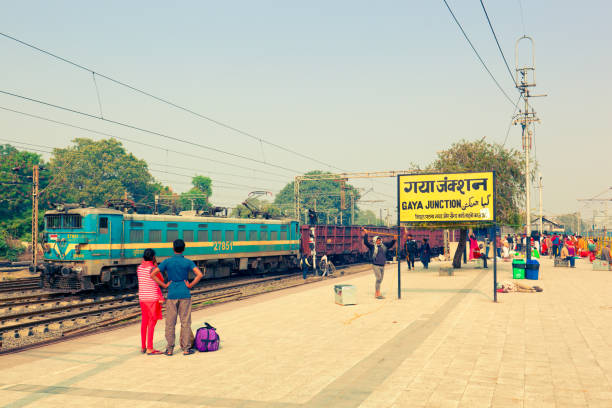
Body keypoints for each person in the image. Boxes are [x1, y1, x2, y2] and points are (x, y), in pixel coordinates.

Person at [151, 239, 204, 356]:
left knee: (170, 323)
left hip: (172, 295)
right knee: (185, 322)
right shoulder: (187, 262)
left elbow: (153, 274)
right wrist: (190, 284)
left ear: (173, 249)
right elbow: (199, 274)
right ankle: (186, 349)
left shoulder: (167, 261)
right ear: (183, 249)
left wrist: (164, 285)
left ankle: (169, 349)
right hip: (185, 294)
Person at [137, 248, 165, 355]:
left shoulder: (139, 268)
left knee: (144, 322)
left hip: (142, 298)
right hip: (152, 299)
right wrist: (156, 265)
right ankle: (150, 348)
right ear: (153, 257)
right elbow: (161, 280)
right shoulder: (153, 269)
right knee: (152, 323)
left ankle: (143, 347)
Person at [362, 228, 395, 299]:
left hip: (382, 265)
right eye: (377, 240)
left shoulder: (384, 246)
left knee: (380, 280)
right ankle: (377, 294)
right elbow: (365, 242)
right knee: (379, 278)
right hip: (375, 265)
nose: (379, 241)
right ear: (374, 241)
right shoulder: (372, 247)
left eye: (379, 240)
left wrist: (394, 239)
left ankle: (377, 292)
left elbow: (391, 244)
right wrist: (366, 233)